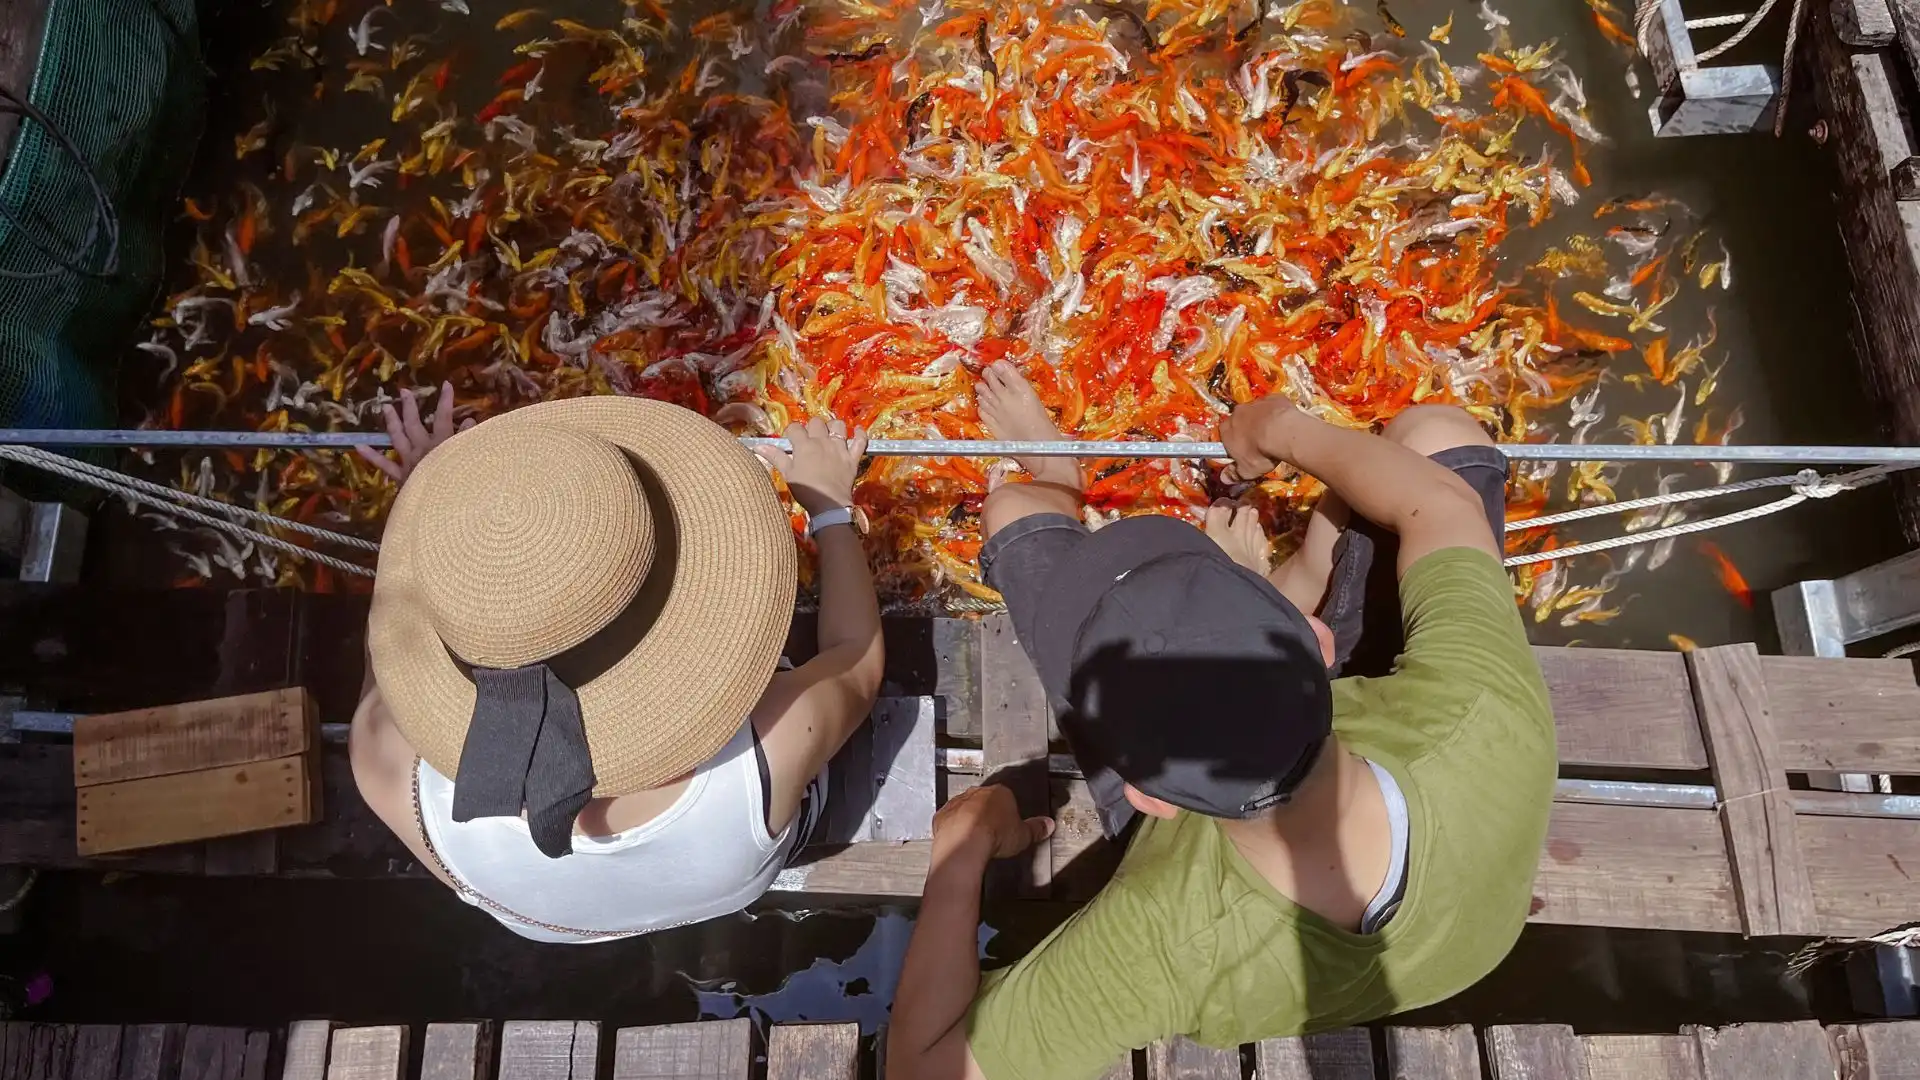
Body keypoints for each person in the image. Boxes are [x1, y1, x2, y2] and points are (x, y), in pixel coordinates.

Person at [886, 362, 1556, 1079]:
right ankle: (1288, 575)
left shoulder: (1164, 943)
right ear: (1316, 643)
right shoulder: (1481, 712)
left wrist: (958, 852)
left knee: (1013, 513)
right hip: (1459, 923)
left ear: (1144, 796)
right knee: (1438, 432)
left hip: (1226, 902)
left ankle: (1056, 476)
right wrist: (1282, 428)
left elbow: (923, 1070)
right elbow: (1438, 505)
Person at [348, 386, 882, 942]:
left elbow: (390, 639)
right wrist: (829, 508)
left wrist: (446, 521)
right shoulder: (771, 741)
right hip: (742, 856)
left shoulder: (386, 766)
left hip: (558, 920)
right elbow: (857, 660)